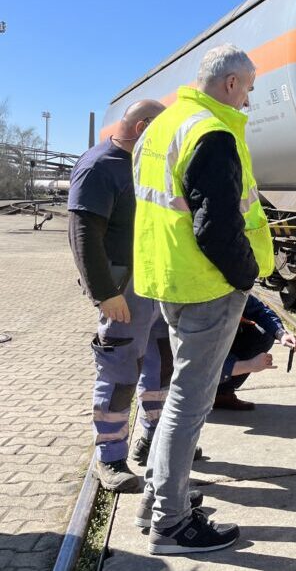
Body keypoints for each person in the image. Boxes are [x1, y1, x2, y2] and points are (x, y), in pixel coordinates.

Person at [132, 44, 274, 555]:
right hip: (207, 286)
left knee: (179, 397)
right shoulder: (212, 133)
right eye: (249, 89)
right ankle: (171, 525)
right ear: (231, 83)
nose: (249, 101)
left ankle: (156, 501)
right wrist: (246, 278)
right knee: (189, 405)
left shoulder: (162, 126)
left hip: (169, 279)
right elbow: (216, 227)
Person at [68, 99, 170, 493]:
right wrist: (105, 293)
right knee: (120, 372)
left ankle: (154, 438)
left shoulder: (144, 163)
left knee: (160, 365)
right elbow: (82, 234)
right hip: (123, 291)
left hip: (156, 286)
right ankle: (109, 458)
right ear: (143, 127)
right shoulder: (100, 166)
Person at [212, 295, 296, 411]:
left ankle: (221, 393)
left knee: (265, 332)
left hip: (211, 345)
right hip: (192, 378)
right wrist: (249, 365)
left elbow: (259, 309)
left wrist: (281, 334)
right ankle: (201, 396)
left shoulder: (230, 288)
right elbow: (200, 362)